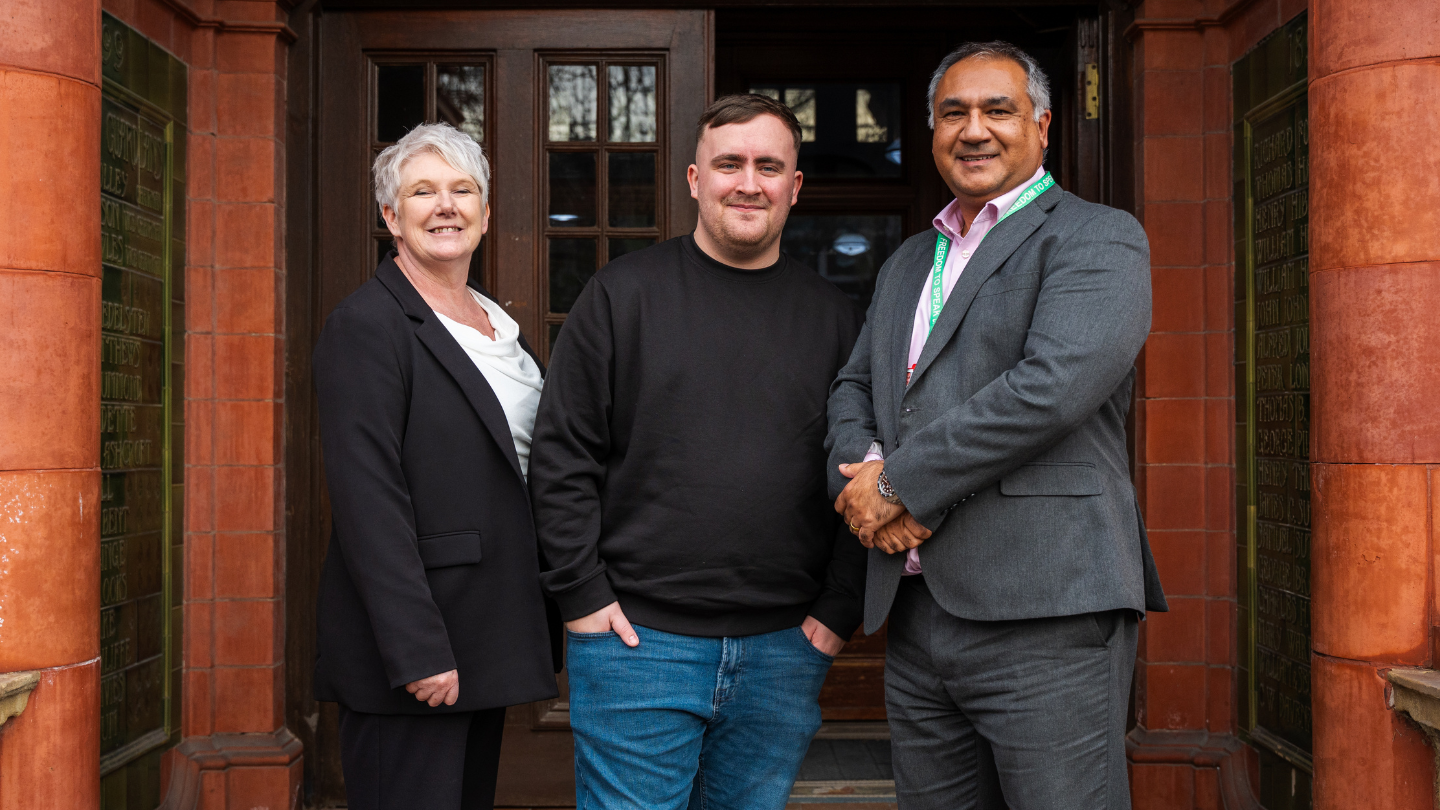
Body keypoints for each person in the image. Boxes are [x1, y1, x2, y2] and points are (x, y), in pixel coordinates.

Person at [827, 42, 1168, 809]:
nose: (973, 129)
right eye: (954, 113)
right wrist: (862, 473)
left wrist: (902, 482)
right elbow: (854, 387)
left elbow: (1049, 391)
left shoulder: (1097, 238)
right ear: (932, 132)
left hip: (1047, 610)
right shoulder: (912, 260)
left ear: (1043, 127)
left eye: (997, 110)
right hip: (917, 615)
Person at [529, 94, 866, 810]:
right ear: (692, 178)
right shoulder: (621, 298)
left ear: (794, 185)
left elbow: (865, 468)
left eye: (769, 166)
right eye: (729, 164)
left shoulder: (838, 320)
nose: (749, 182)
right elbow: (562, 456)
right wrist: (582, 598)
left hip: (784, 649)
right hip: (636, 646)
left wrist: (839, 610)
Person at [312, 122, 560, 810]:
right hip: (419, 650)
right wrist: (417, 649)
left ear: (485, 213)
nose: (445, 206)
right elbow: (369, 502)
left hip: (487, 632)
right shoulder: (369, 324)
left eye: (462, 189)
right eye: (423, 191)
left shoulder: (494, 325)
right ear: (391, 215)